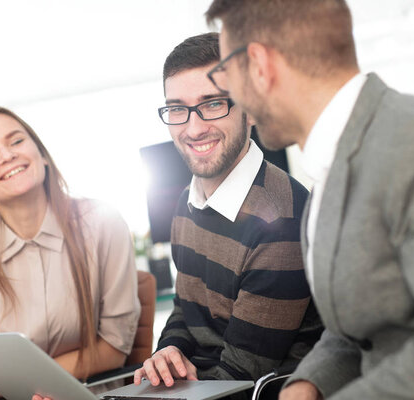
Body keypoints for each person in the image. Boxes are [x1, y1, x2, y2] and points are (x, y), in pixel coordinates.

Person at [205, 1, 414, 399]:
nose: (232, 93)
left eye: (225, 74)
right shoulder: (332, 165)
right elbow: (360, 330)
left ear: (259, 64)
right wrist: (309, 384)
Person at [133, 32, 322, 390]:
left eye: (213, 104)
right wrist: (168, 352)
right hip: (198, 387)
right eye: (177, 109)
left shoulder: (279, 223)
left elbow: (240, 382)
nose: (193, 127)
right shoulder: (186, 201)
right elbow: (186, 306)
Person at [0, 105, 140, 400]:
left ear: (42, 154)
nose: (7, 155)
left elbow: (115, 348)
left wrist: (25, 382)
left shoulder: (102, 223)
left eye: (16, 141)